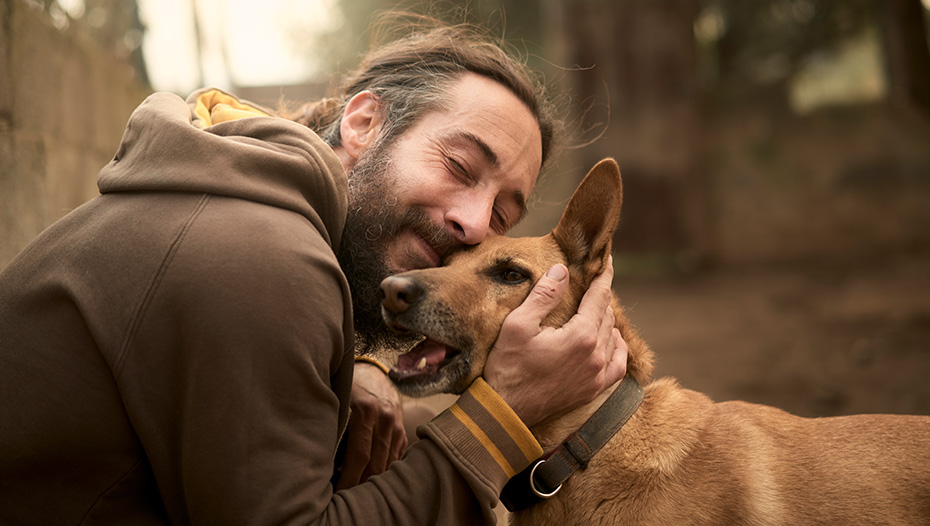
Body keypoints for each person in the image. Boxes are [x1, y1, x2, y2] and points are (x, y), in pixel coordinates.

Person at [0, 19, 626, 525]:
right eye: (460, 166)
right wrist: (500, 419)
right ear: (362, 123)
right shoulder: (262, 257)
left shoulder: (251, 207)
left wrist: (366, 360)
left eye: (502, 212)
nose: (473, 222)